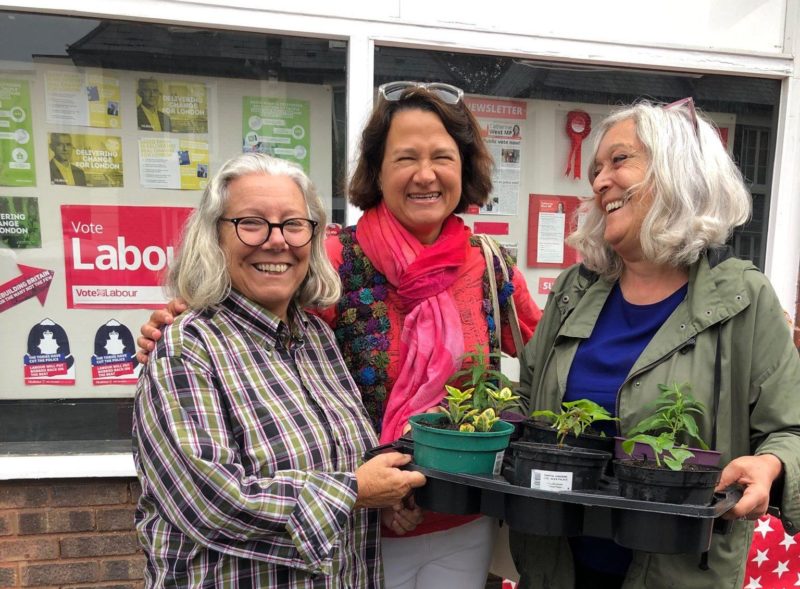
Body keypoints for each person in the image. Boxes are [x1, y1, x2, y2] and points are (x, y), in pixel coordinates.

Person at [137, 81, 542, 589]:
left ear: (465, 168)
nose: (425, 174)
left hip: (455, 515)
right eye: (404, 158)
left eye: (442, 156)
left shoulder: (488, 264)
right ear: (377, 170)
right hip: (356, 533)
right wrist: (181, 315)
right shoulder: (330, 258)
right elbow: (245, 324)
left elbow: (550, 355)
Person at [510, 99, 800, 589]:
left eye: (619, 161)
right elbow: (528, 402)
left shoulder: (742, 298)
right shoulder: (573, 291)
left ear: (678, 173)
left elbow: (791, 428)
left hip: (678, 573)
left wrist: (770, 464)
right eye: (596, 170)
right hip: (556, 566)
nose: (600, 181)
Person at [133, 152, 426, 587]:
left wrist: (385, 496)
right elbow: (211, 504)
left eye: (293, 224)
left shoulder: (317, 339)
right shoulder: (186, 348)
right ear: (214, 236)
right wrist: (354, 492)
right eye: (251, 222)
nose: (277, 241)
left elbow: (339, 461)